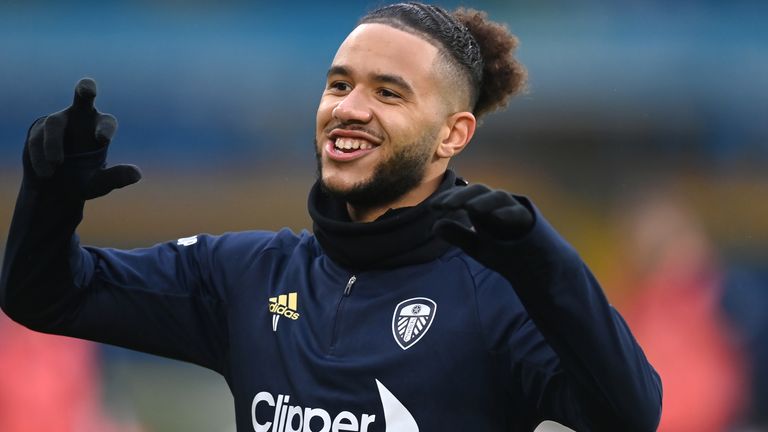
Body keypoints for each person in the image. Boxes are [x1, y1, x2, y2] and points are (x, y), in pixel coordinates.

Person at [1, 3, 661, 431]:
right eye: (339, 84)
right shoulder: (244, 274)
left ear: (452, 135)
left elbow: (631, 416)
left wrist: (543, 262)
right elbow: (49, 297)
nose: (350, 107)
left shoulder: (499, 294)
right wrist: (51, 198)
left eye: (388, 92)